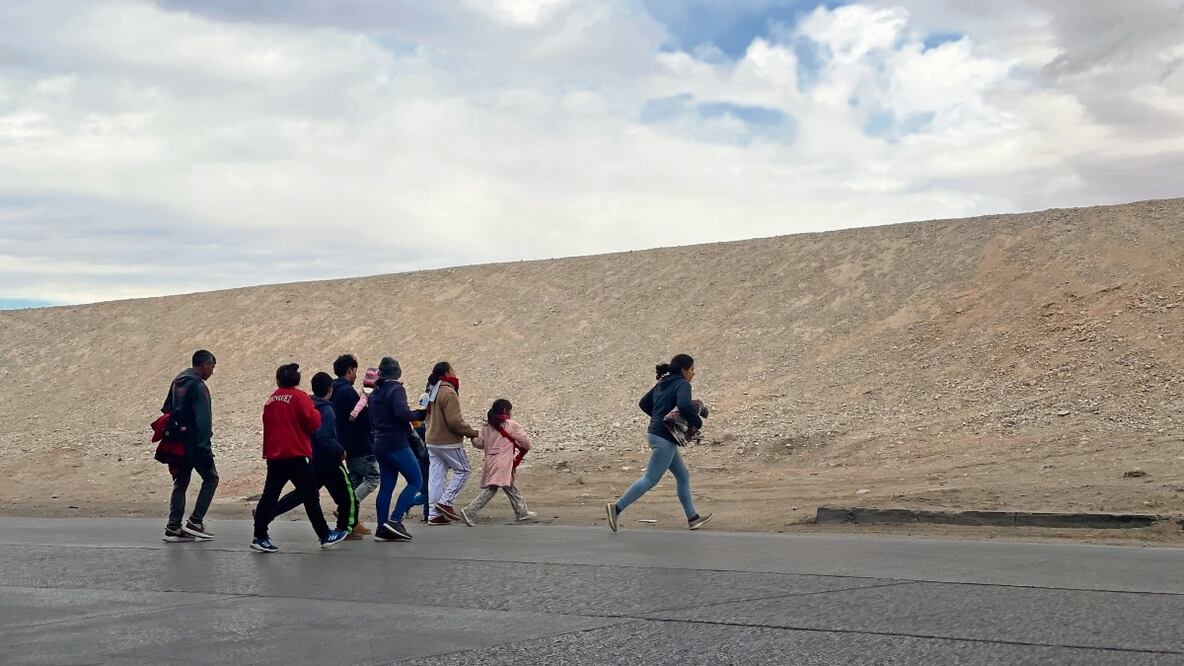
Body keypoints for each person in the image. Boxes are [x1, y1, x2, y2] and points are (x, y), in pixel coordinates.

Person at [606, 354, 712, 532]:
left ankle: (693, 518)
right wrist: (697, 422)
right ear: (684, 370)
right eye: (692, 369)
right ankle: (616, 508)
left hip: (658, 435)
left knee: (683, 475)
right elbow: (685, 406)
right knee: (650, 478)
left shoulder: (663, 382)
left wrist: (660, 417)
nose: (694, 373)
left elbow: (644, 403)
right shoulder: (683, 384)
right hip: (663, 438)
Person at [252, 363, 349, 553]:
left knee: (270, 494)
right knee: (310, 495)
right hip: (296, 453)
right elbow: (313, 421)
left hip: (275, 453)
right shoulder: (299, 397)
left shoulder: (272, 398)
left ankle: (259, 535)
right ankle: (324, 534)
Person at [270, 372, 359, 540]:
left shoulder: (307, 404)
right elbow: (325, 437)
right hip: (330, 461)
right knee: (347, 497)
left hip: (311, 458)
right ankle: (345, 529)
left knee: (302, 494)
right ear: (330, 390)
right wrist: (340, 450)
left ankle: (267, 513)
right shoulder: (326, 409)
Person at [160, 349, 219, 543]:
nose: (212, 372)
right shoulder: (199, 386)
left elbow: (167, 408)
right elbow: (203, 421)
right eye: (211, 367)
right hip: (194, 443)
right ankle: (195, 521)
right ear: (203, 365)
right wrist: (205, 446)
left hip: (177, 443)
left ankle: (173, 527)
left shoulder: (178, 380)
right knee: (211, 478)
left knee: (181, 483)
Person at [368, 357, 426, 541]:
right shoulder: (396, 389)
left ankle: (381, 528)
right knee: (416, 480)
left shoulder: (375, 393)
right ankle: (395, 520)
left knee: (386, 487)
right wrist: (419, 414)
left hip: (379, 443)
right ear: (397, 372)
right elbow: (402, 414)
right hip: (396, 442)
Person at [459, 399, 536, 525]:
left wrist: (473, 436)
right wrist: (524, 448)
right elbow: (525, 442)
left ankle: (522, 512)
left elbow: (480, 444)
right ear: (506, 410)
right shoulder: (511, 425)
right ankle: (469, 511)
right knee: (493, 488)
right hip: (504, 462)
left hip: (491, 460)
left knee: (510, 485)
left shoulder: (486, 427)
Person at [423, 361, 479, 526]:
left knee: (436, 477)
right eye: (453, 369)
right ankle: (445, 502)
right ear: (447, 373)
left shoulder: (431, 390)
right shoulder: (449, 392)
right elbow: (455, 421)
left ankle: (433, 514)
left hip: (431, 440)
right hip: (448, 442)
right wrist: (472, 432)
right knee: (464, 470)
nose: (455, 372)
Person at [330, 355, 378, 536]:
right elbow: (364, 418)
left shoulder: (332, 389)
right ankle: (346, 511)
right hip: (359, 443)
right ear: (349, 370)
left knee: (355, 480)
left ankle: (351, 522)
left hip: (344, 443)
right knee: (373, 477)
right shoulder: (348, 392)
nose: (356, 375)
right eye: (355, 371)